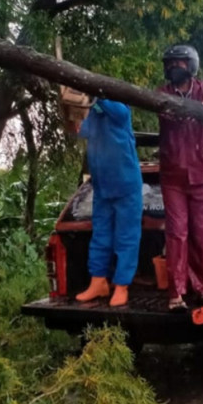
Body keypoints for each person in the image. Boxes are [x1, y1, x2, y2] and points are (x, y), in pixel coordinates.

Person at [157, 44, 203, 311]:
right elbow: (161, 109)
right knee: (177, 233)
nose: (172, 67)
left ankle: (202, 289)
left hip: (202, 174)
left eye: (177, 63)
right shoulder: (163, 93)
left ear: (190, 65)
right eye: (169, 63)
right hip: (173, 176)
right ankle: (176, 293)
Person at [74, 98, 143, 308]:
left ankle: (121, 286)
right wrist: (75, 115)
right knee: (100, 236)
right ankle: (98, 281)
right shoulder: (95, 113)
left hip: (126, 184)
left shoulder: (119, 107)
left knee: (126, 237)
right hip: (102, 185)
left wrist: (98, 96)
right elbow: (81, 130)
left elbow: (120, 112)